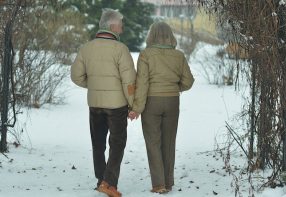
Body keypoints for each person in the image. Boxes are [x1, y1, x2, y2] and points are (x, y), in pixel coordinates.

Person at [71, 8, 136, 197]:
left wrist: (94, 86)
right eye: (121, 25)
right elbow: (129, 82)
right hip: (116, 106)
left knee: (98, 143)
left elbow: (76, 76)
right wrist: (132, 104)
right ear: (113, 26)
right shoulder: (120, 49)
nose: (122, 30)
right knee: (117, 143)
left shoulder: (86, 48)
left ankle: (101, 179)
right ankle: (108, 183)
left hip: (95, 103)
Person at [128, 21, 194, 194]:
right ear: (170, 35)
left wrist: (137, 108)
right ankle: (169, 182)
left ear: (151, 35)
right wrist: (174, 88)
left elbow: (142, 83)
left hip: (151, 102)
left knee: (153, 143)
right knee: (169, 143)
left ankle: (159, 184)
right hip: (172, 101)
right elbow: (188, 81)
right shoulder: (178, 56)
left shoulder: (146, 54)